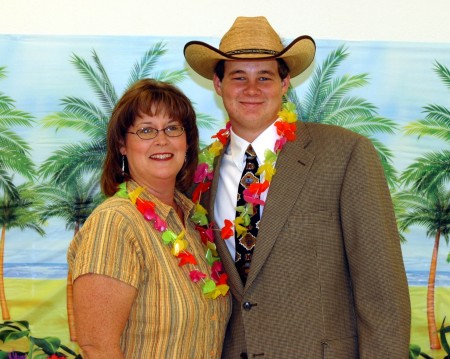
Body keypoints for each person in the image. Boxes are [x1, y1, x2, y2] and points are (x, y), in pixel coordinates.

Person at [184, 16, 411, 358]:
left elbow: (382, 292)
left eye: (265, 77)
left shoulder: (345, 153)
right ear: (218, 85)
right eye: (238, 77)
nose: (251, 89)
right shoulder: (198, 174)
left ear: (285, 82)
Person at [67, 78, 231, 359]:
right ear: (122, 144)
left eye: (173, 128)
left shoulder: (192, 221)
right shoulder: (115, 223)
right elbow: (98, 347)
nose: (162, 140)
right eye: (145, 130)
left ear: (187, 141)